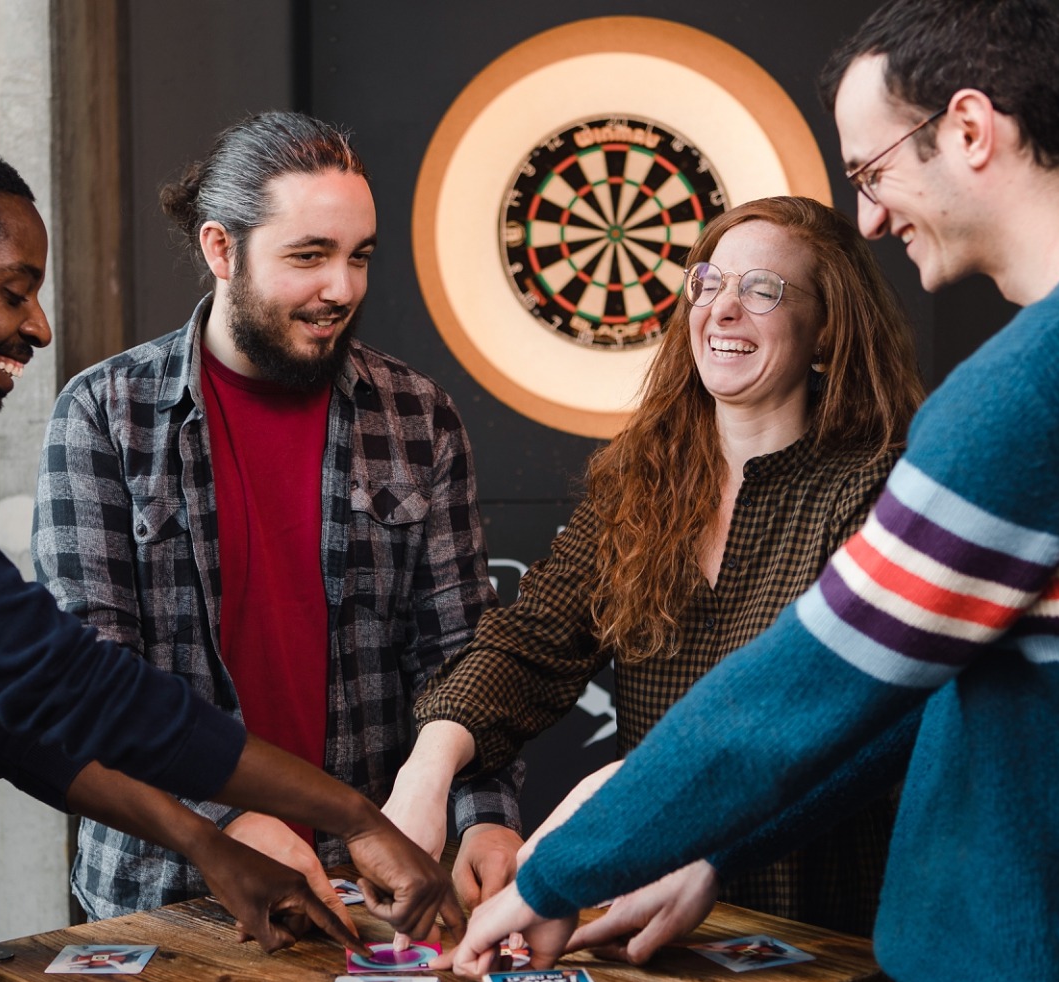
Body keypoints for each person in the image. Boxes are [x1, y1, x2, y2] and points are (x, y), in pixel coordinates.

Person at [443, 1, 1059, 982]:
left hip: (1040, 966)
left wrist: (555, 871)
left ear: (972, 130)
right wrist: (708, 847)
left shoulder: (1024, 394)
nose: (872, 218)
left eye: (872, 171)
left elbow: (813, 690)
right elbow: (913, 690)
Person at [0, 126, 464, 982]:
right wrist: (354, 814)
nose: (36, 325)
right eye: (14, 290)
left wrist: (206, 845)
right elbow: (72, 678)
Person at [385, 194, 924, 939]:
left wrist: (615, 802)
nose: (724, 309)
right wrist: (427, 767)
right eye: (709, 283)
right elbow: (529, 644)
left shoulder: (880, 487)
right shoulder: (643, 478)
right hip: (645, 921)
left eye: (763, 290)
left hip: (822, 926)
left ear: (826, 330)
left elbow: (835, 721)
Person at [32, 111, 523, 923]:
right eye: (309, 256)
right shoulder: (106, 415)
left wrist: (485, 818)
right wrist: (228, 820)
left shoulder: (417, 417)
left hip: (376, 892)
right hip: (167, 891)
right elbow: (94, 682)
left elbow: (460, 657)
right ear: (221, 250)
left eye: (359, 256)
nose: (342, 288)